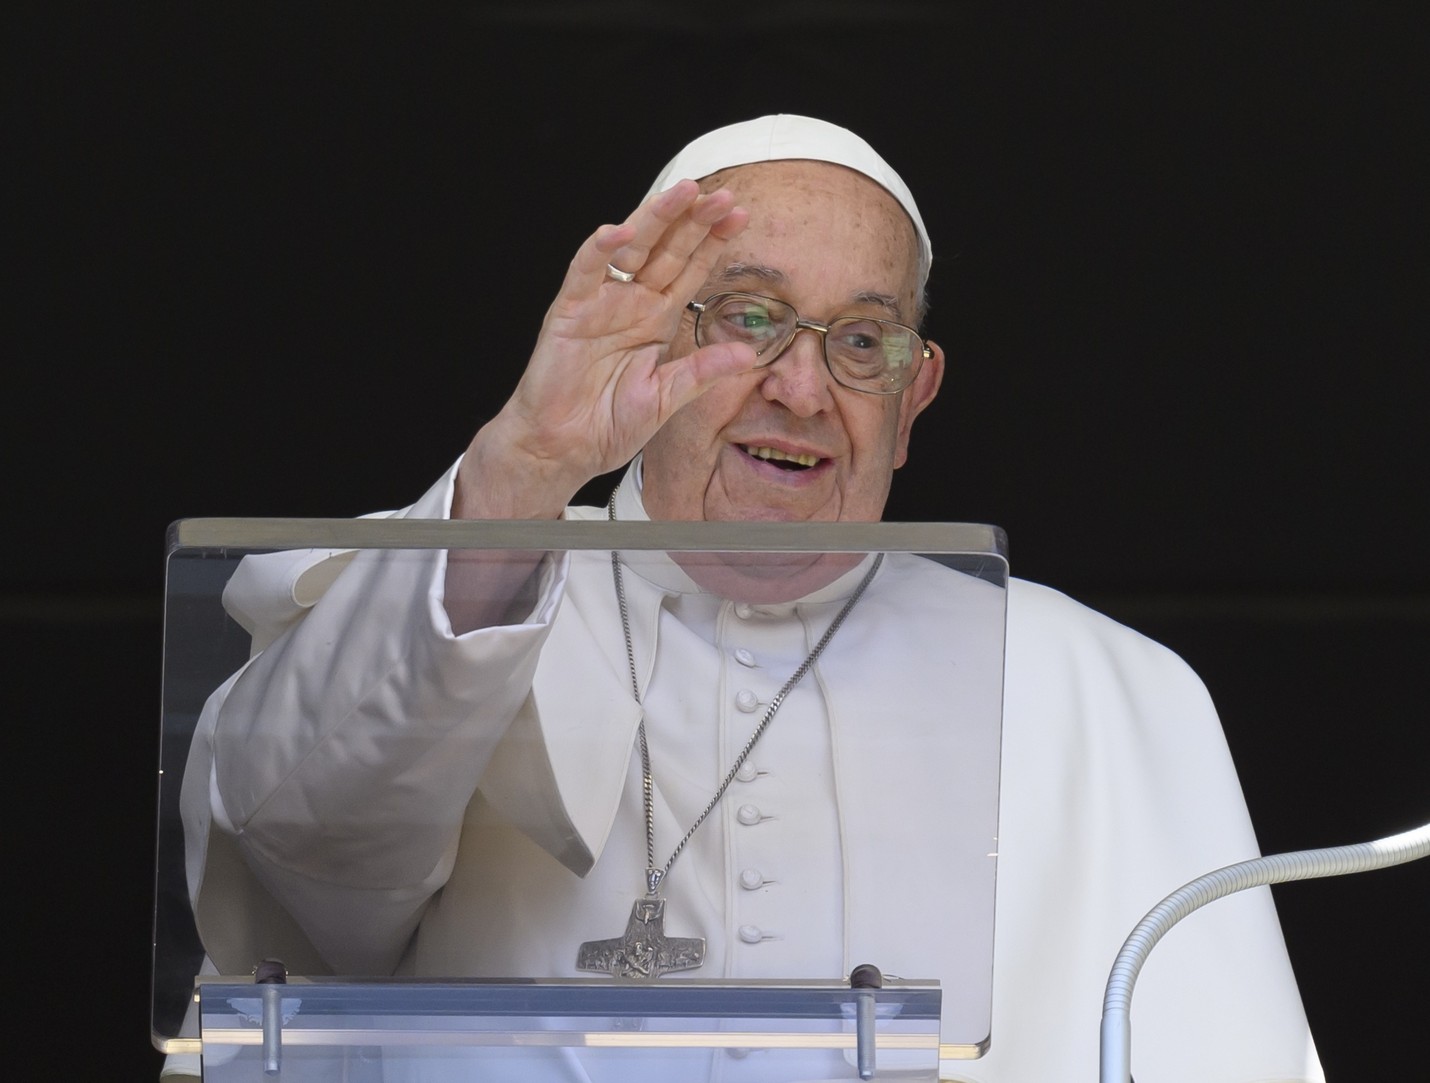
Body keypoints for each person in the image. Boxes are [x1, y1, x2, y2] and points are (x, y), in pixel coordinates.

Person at [177, 115, 1324, 1083]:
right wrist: (524, 465)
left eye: (861, 341)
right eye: (750, 318)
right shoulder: (450, 582)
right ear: (642, 336)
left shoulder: (1101, 687)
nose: (800, 389)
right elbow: (300, 862)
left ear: (914, 395)